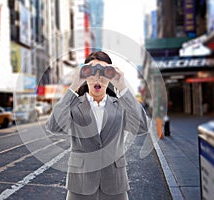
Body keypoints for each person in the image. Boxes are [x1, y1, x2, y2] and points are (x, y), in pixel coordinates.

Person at [46, 51, 149, 200]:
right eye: (91, 71)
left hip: (115, 183)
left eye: (105, 72)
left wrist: (122, 86)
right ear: (85, 74)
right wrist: (74, 84)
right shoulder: (74, 105)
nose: (98, 78)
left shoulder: (120, 105)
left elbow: (142, 127)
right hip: (80, 184)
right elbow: (53, 127)